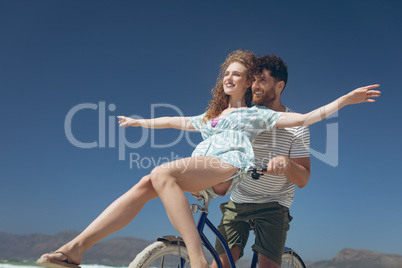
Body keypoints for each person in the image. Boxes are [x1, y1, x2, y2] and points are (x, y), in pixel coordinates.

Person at [37, 49, 380, 268]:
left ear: (250, 83)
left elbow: (305, 119)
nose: (228, 78)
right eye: (225, 73)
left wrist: (344, 101)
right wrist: (139, 121)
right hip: (209, 171)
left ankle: (198, 260)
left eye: (238, 74)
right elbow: (175, 121)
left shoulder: (256, 115)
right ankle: (76, 250)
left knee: (162, 173)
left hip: (229, 166)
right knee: (147, 182)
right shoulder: (212, 117)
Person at [212, 55, 310, 268]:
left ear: (279, 85)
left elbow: (303, 178)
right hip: (239, 201)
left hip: (274, 205)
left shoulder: (297, 125)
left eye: (262, 80)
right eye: (253, 80)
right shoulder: (242, 117)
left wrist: (286, 163)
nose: (255, 86)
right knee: (221, 264)